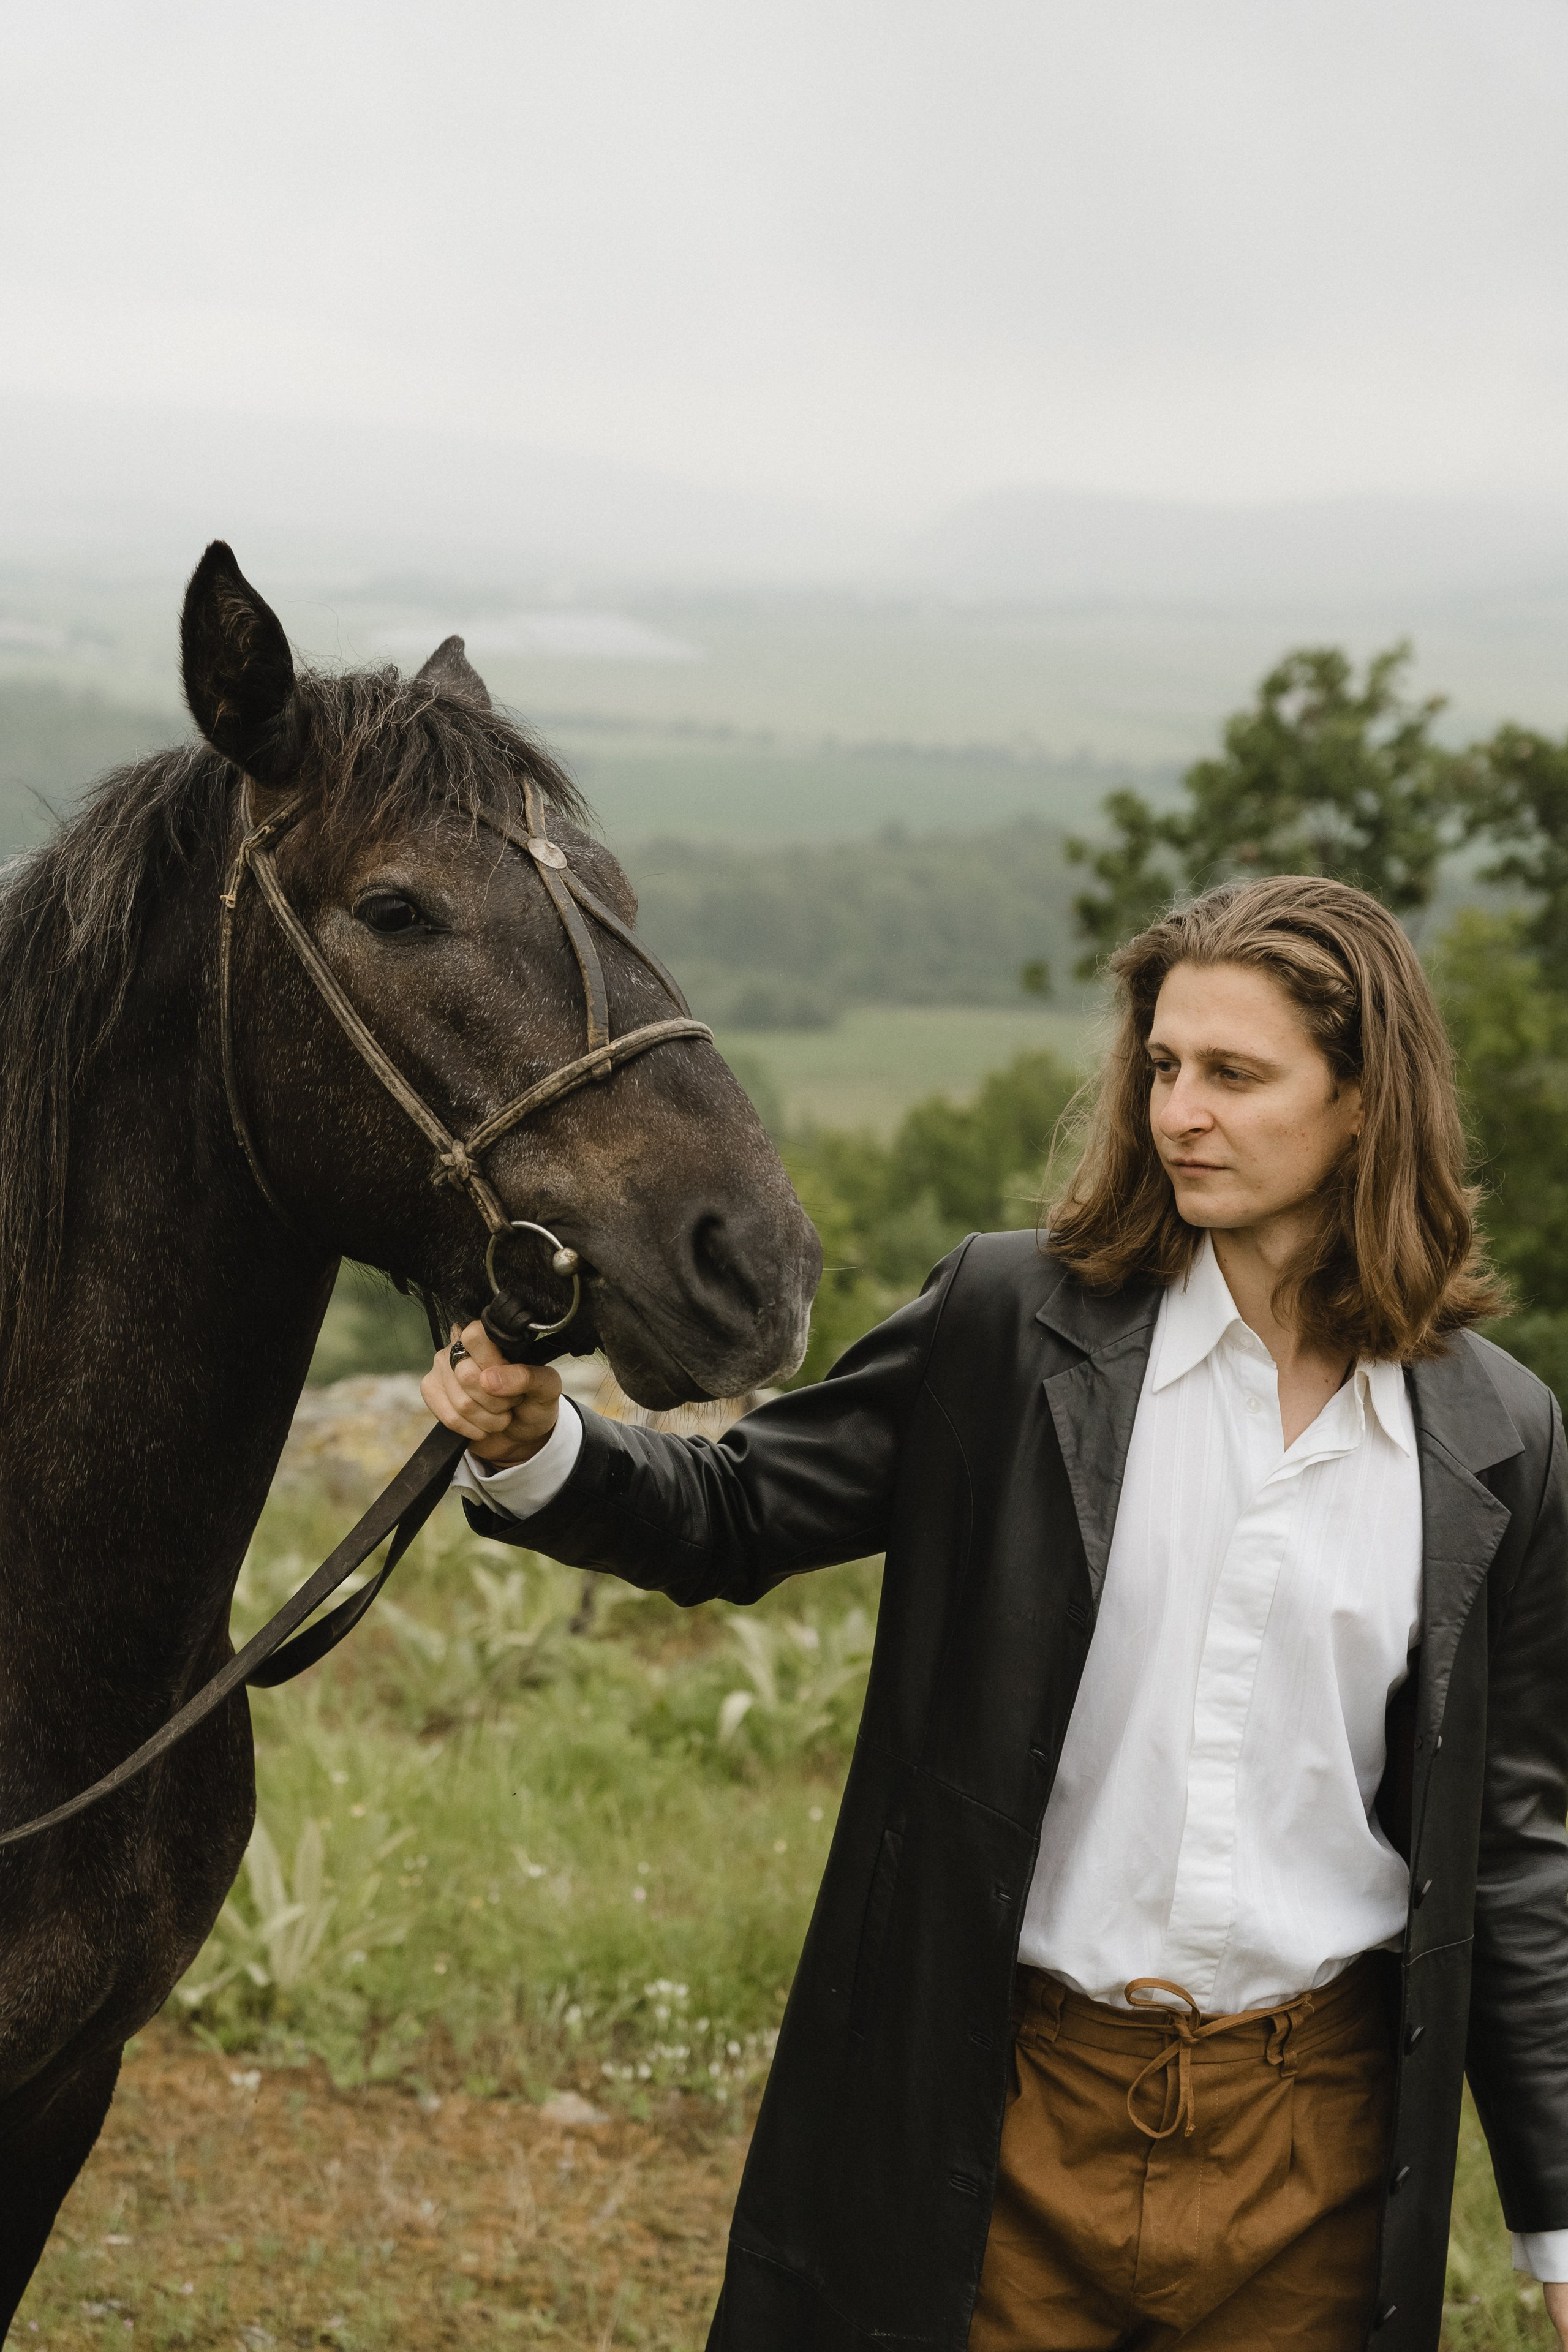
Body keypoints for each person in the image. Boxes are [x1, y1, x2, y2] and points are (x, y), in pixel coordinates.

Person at [424, 875, 1568, 2352]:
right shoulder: (1008, 1329)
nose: (1177, 1113)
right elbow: (738, 1511)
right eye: (1161, 1066)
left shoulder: (1494, 1439)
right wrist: (539, 1446)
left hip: (1315, 2148)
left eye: (1233, 1075)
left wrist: (1552, 2219)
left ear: (1360, 1103)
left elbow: (1512, 1849)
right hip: (1009, 2112)